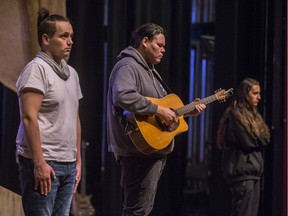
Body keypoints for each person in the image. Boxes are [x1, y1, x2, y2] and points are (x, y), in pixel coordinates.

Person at [107, 23, 206, 215]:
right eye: (159, 45)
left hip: (149, 151)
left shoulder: (150, 71)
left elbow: (163, 110)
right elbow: (123, 95)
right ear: (145, 41)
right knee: (137, 210)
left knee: (141, 210)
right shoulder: (128, 65)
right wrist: (159, 110)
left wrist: (186, 111)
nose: (163, 50)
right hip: (136, 151)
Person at [15, 8, 82, 216]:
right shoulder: (37, 69)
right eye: (63, 36)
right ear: (46, 39)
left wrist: (77, 160)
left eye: (71, 36)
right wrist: (39, 163)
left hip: (68, 163)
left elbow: (74, 117)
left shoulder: (71, 73)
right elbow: (28, 118)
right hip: (45, 161)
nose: (69, 41)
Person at [216, 77, 270, 216]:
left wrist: (258, 137)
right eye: (255, 93)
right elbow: (249, 142)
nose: (259, 97)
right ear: (245, 94)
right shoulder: (235, 114)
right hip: (243, 174)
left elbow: (265, 138)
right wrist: (258, 137)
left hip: (253, 173)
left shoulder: (253, 115)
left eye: (259, 93)